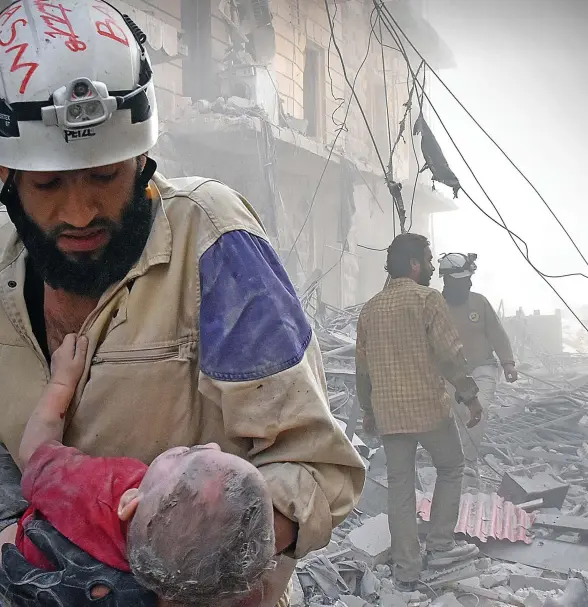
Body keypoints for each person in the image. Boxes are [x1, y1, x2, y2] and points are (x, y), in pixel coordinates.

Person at [0, 2, 365, 605]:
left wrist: (184, 567)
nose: (80, 211)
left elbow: (319, 471)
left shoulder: (216, 246)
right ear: (7, 173)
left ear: (143, 156)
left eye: (105, 176)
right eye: (48, 185)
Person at [0, 333, 276, 607]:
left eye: (186, 456)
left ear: (129, 502)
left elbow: (33, 453)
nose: (211, 445)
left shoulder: (101, 489)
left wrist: (61, 383)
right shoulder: (197, 589)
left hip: (21, 560)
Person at [355, 233, 482, 591]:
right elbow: (449, 354)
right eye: (427, 260)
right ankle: (441, 545)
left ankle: (406, 571)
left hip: (391, 416)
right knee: (451, 466)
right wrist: (469, 394)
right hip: (430, 410)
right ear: (414, 264)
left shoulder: (370, 309)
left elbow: (362, 370)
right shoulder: (428, 299)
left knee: (400, 487)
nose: (431, 267)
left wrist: (368, 410)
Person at [439, 253, 517, 473]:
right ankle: (455, 461)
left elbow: (496, 333)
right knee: (455, 416)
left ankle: (467, 462)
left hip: (483, 368)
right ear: (449, 282)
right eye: (464, 281)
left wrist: (508, 362)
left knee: (477, 409)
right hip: (450, 373)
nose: (470, 283)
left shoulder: (479, 302)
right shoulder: (435, 306)